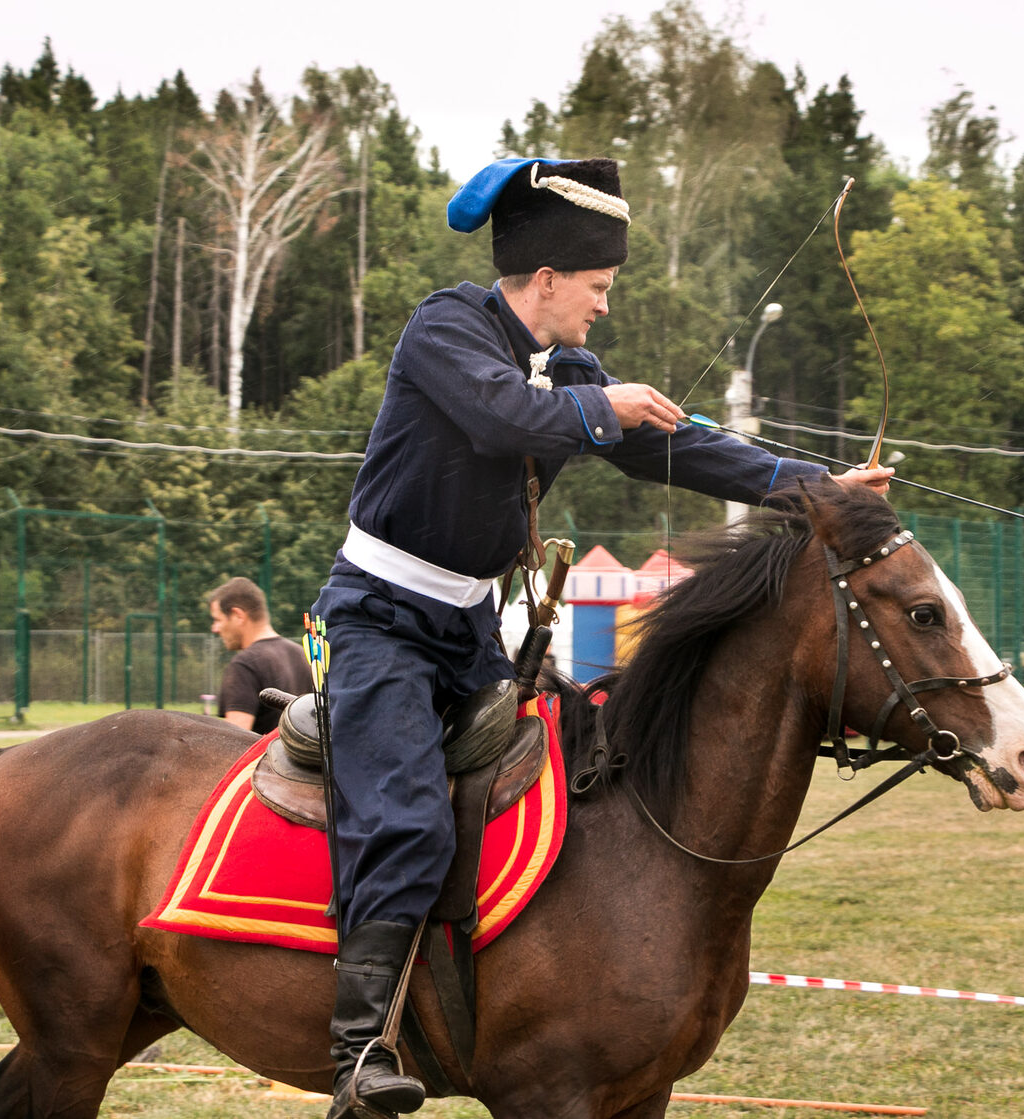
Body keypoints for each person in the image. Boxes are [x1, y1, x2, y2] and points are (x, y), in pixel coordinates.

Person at [307, 156, 894, 1119]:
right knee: (407, 811)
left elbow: (684, 444)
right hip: (378, 620)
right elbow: (503, 417)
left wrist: (817, 486)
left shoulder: (569, 372)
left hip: (466, 628)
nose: (604, 308)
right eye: (598, 288)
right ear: (545, 282)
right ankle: (359, 1054)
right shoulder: (444, 331)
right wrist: (603, 406)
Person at [208, 576, 313, 736]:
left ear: (238, 615)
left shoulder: (244, 665)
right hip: (305, 760)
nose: (215, 628)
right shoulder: (303, 654)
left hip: (267, 760)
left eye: (217, 620)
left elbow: (233, 741)